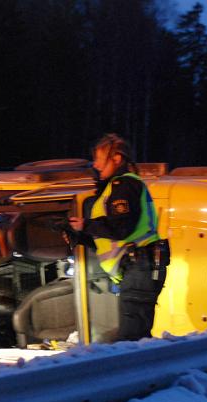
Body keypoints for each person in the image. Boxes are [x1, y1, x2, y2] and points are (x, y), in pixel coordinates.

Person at [68, 133, 168, 341]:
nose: (95, 165)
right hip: (138, 265)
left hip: (140, 265)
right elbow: (112, 239)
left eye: (98, 158)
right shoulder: (119, 187)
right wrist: (81, 236)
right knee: (135, 337)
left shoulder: (123, 186)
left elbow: (121, 228)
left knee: (132, 339)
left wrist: (86, 225)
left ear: (116, 159)